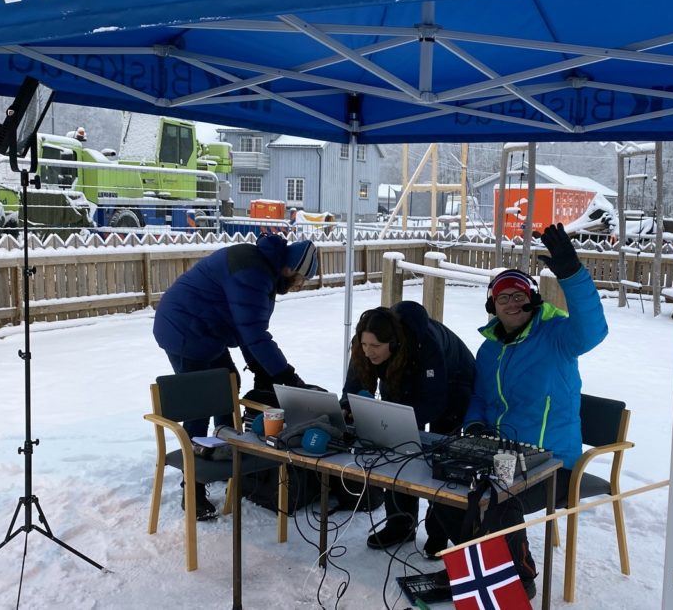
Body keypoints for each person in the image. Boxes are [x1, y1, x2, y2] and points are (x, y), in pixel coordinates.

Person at [429, 223, 608, 600]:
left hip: (554, 463)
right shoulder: (490, 349)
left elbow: (593, 329)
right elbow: (479, 397)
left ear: (532, 299)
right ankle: (475, 568)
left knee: (497, 497)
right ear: (491, 305)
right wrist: (474, 422)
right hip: (502, 455)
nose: (511, 302)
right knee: (445, 488)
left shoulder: (557, 336)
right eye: (502, 297)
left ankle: (518, 575)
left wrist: (571, 273)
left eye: (518, 294)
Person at [153, 234, 318, 519]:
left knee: (230, 384)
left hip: (206, 329)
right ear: (291, 269)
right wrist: (285, 375)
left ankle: (225, 452)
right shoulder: (253, 271)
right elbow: (253, 333)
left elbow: (247, 328)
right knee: (201, 403)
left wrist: (261, 370)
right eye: (302, 279)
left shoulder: (261, 268)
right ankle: (192, 488)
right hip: (184, 328)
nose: (299, 285)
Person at [341, 301, 475, 551]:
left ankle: (439, 533)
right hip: (402, 376)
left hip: (455, 382)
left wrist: (398, 420)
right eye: (364, 344)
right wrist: (347, 408)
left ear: (393, 343)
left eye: (375, 347)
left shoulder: (427, 345)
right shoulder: (367, 346)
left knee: (441, 458)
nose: (368, 352)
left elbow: (434, 404)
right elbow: (353, 388)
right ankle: (400, 525)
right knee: (396, 450)